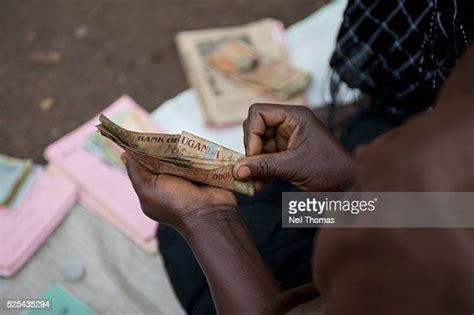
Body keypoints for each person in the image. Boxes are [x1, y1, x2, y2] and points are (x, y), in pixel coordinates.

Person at [125, 1, 473, 313]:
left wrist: (206, 220)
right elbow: (454, 208)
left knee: (186, 247)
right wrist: (349, 187)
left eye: (396, 149)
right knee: (293, 206)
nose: (369, 152)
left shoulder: (439, 273)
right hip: (404, 213)